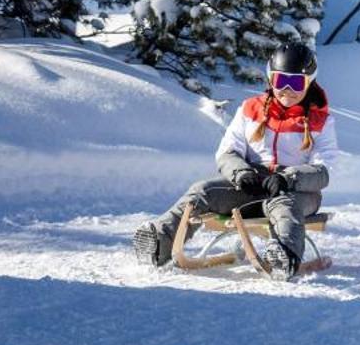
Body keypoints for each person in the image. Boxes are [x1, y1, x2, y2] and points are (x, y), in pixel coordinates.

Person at [131, 42, 338, 279]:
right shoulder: (251, 109)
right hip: (251, 185)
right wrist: (241, 172)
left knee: (284, 206)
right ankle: (159, 242)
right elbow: (228, 151)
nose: (287, 90)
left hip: (298, 192)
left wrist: (288, 179)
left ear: (309, 82)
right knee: (202, 191)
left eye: (296, 83)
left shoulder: (320, 120)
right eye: (281, 81)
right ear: (271, 79)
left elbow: (324, 168)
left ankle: (284, 256)